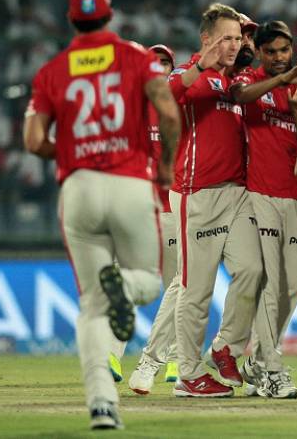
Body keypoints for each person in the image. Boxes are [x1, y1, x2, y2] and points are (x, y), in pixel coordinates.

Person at [22, 0, 180, 429]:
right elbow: (169, 114)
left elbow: (34, 141)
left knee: (92, 304)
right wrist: (166, 164)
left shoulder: (52, 71)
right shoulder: (136, 59)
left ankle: (102, 405)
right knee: (152, 283)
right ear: (109, 15)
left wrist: (70, 150)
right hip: (131, 182)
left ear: (71, 19)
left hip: (80, 188)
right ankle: (125, 287)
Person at [168, 3, 264, 398]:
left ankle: (225, 346)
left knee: (253, 270)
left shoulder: (237, 80)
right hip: (197, 194)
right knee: (197, 290)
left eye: (238, 38)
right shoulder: (187, 73)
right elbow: (165, 95)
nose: (234, 44)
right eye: (226, 37)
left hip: (237, 192)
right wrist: (199, 66)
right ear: (206, 40)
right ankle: (188, 374)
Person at [229, 20, 297, 398]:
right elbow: (240, 98)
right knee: (270, 286)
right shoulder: (252, 78)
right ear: (260, 52)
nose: (278, 58)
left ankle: (257, 361)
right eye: (271, 51)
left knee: (294, 286)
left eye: (283, 51)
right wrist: (281, 81)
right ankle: (273, 368)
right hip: (259, 193)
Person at [104, 44, 181, 391]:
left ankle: (176, 359)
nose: (161, 67)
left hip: (173, 210)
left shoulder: (182, 106)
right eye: (155, 62)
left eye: (167, 63)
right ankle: (110, 355)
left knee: (180, 289)